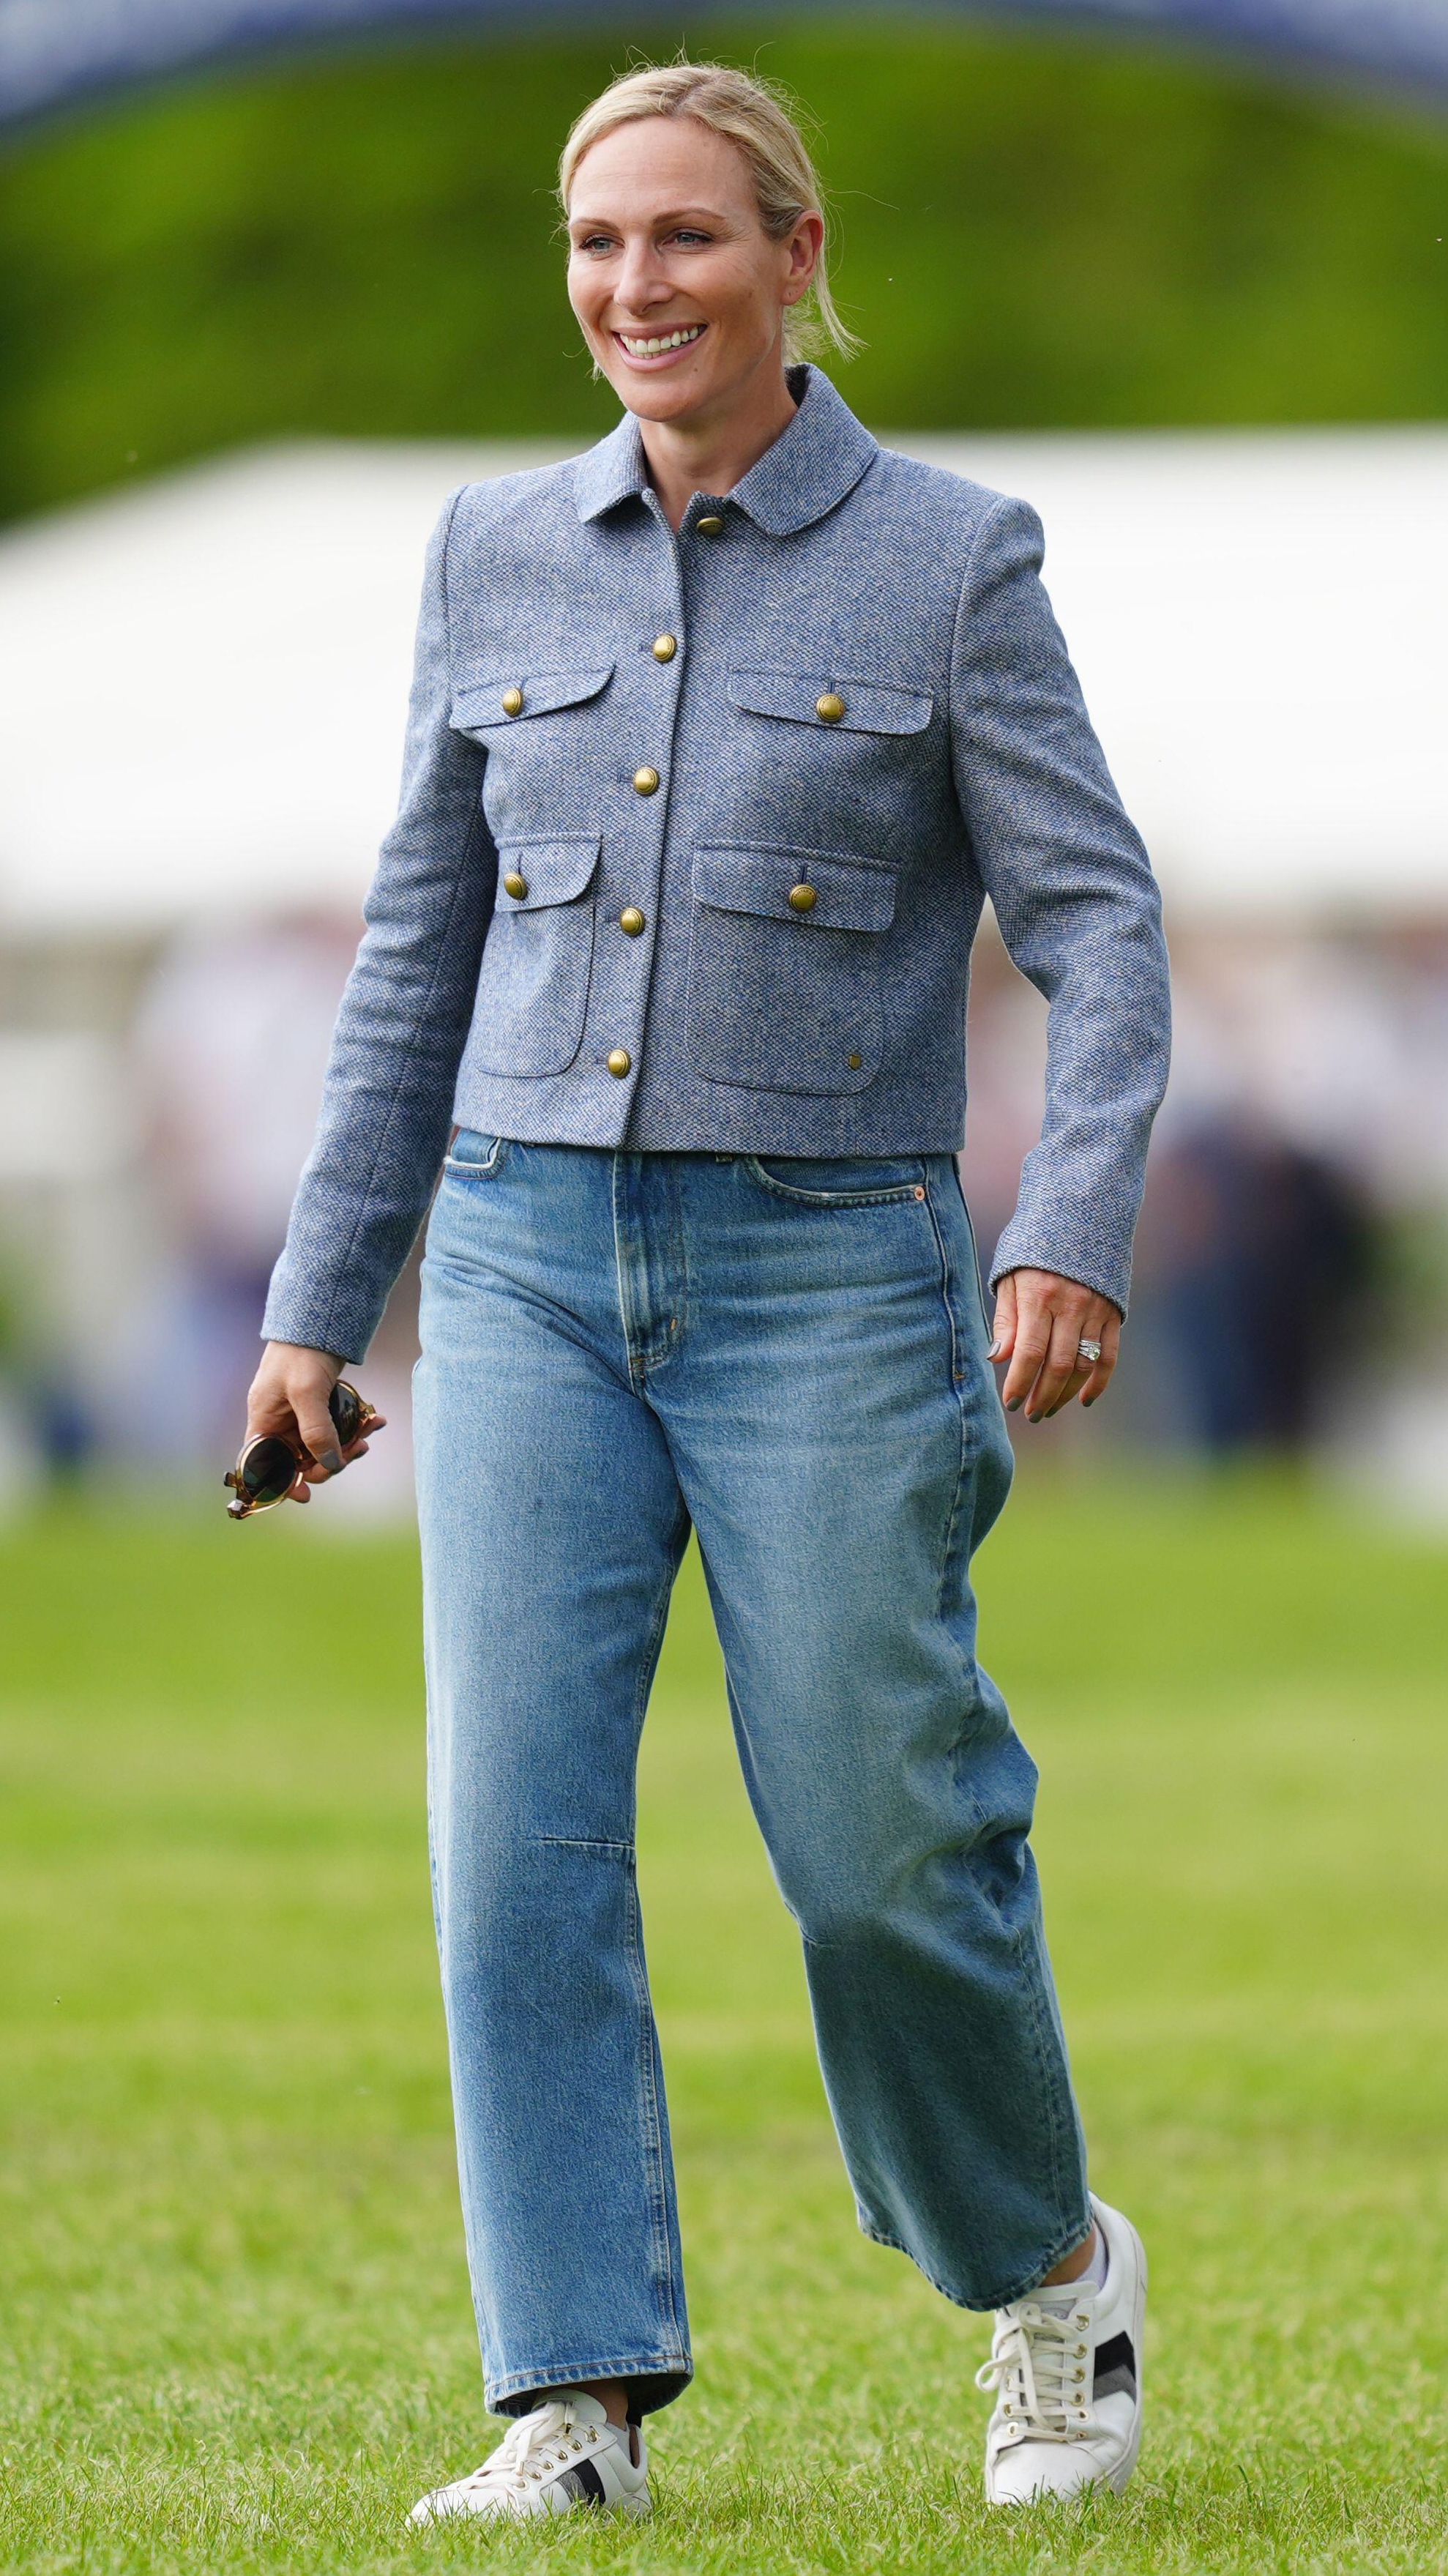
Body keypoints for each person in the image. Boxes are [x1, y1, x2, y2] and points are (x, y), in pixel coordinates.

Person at [250, 61, 1171, 2517]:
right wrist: (315, 1307)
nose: (632, 289)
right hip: (525, 1260)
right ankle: (569, 2398)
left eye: (682, 240)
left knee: (882, 1841)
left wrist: (1063, 1220)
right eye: (593, 248)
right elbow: (412, 956)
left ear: (790, 252)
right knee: (511, 1842)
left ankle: (1045, 2271)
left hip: (831, 1280)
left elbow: (1096, 923)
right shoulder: (484, 557)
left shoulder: (955, 557)